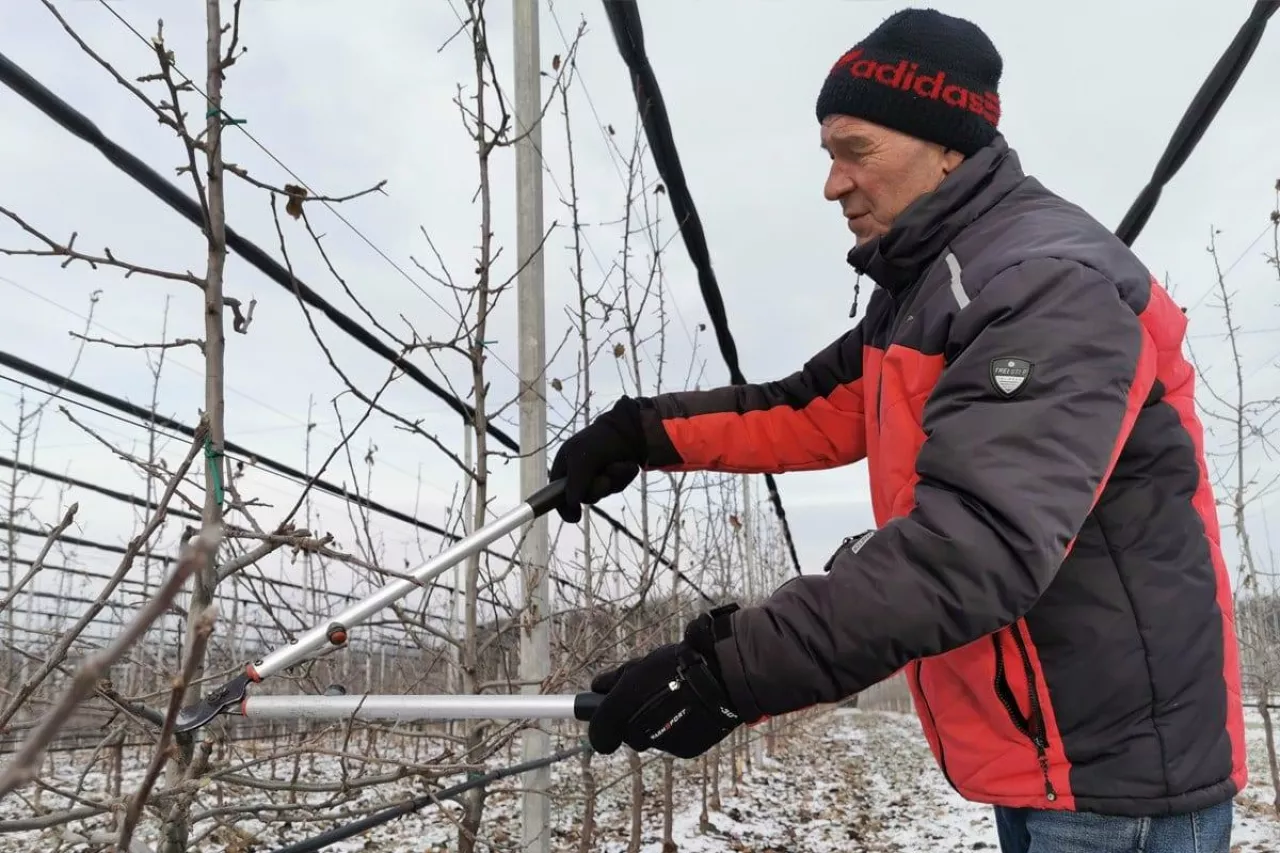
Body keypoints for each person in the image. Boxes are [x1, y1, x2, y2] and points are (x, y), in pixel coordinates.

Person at [548, 7, 1247, 853]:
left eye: (857, 151)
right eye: (828, 154)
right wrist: (641, 435)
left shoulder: (1045, 285)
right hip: (1052, 758)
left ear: (947, 146)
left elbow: (973, 547)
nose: (833, 184)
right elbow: (806, 407)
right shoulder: (927, 292)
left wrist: (726, 671)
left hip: (1118, 780)